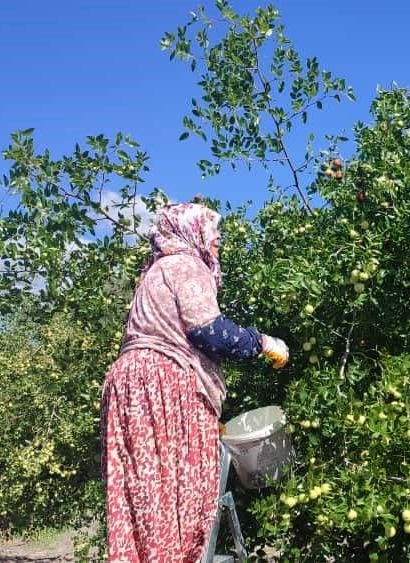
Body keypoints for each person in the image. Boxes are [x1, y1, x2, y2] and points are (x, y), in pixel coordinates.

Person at [99, 202, 289, 562]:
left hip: (133, 386)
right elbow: (211, 332)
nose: (217, 239)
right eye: (212, 230)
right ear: (192, 231)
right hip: (166, 386)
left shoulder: (155, 273)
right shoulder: (186, 265)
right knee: (179, 496)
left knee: (147, 492)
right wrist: (263, 342)